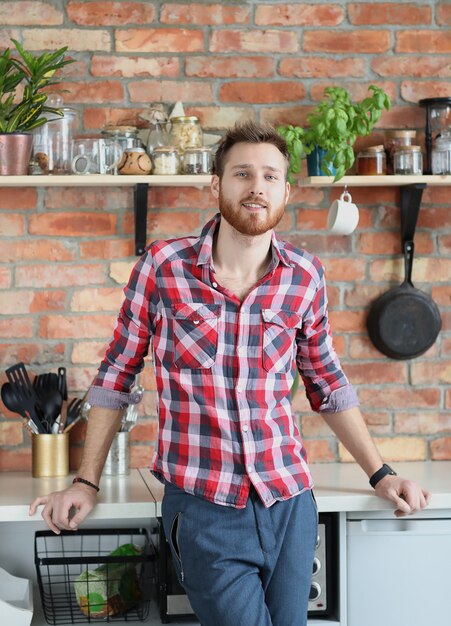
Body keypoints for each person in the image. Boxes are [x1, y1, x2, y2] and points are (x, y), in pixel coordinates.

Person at [30, 121, 431, 626]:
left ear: (286, 190)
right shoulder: (163, 266)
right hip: (204, 508)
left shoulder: (304, 275)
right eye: (242, 173)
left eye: (269, 176)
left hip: (289, 501)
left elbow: (327, 383)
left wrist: (381, 473)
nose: (256, 187)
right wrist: (85, 482)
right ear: (216, 186)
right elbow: (116, 374)